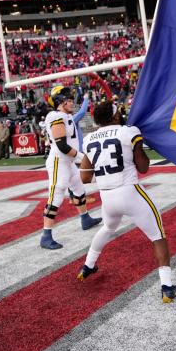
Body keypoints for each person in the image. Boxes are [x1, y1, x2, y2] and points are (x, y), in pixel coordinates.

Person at [77, 101, 176, 302]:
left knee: (108, 227)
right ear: (115, 116)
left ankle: (87, 266)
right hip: (129, 191)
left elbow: (84, 178)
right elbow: (143, 167)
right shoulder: (128, 131)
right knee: (158, 235)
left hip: (107, 196)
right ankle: (167, 287)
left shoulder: (89, 138)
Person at [38, 86, 101, 250]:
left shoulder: (66, 116)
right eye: (69, 99)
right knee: (57, 194)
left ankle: (85, 218)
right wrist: (83, 158)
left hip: (68, 162)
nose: (72, 102)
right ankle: (46, 235)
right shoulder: (55, 116)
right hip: (59, 161)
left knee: (79, 188)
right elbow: (62, 146)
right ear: (60, 101)